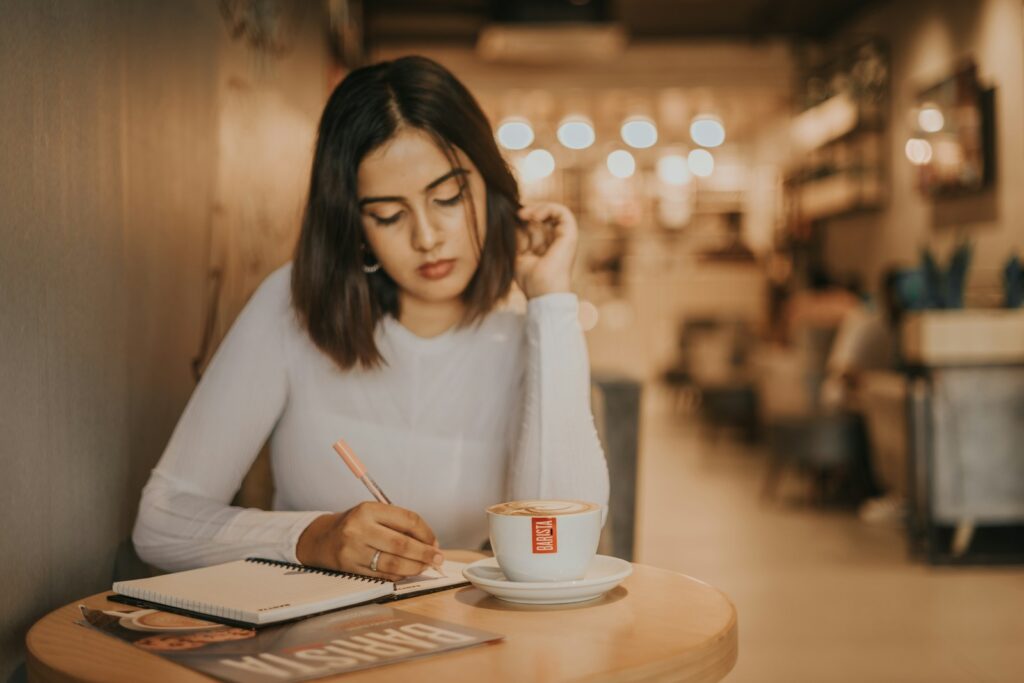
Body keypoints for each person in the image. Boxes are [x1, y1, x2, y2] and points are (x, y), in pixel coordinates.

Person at [132, 56, 609, 581]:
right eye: (389, 214)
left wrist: (551, 303)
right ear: (355, 224)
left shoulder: (522, 336)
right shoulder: (294, 308)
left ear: (489, 186)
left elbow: (562, 546)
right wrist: (314, 538)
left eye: (448, 198)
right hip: (315, 644)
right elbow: (160, 522)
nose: (427, 237)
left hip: (466, 642)